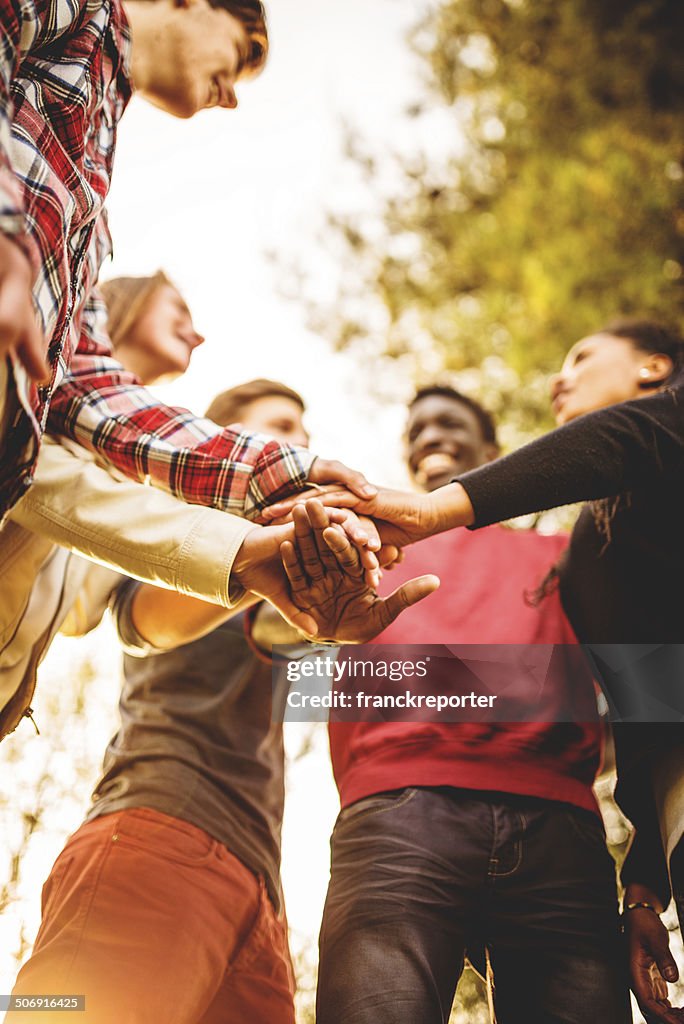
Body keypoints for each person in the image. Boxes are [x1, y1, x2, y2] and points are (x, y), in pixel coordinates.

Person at [266, 318, 684, 1024]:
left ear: (495, 455)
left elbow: (645, 694)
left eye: (450, 423)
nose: (429, 436)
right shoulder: (369, 548)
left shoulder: (578, 553)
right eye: (415, 431)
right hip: (397, 811)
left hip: (560, 826)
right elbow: (274, 628)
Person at [0, 0, 379, 734]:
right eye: (240, 54)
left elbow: (84, 389)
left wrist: (289, 473)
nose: (233, 91)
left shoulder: (90, 212)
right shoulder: (74, 11)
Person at [5, 378, 432, 1024]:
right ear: (227, 444)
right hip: (157, 836)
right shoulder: (178, 541)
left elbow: (305, 639)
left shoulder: (303, 580)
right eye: (283, 427)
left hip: (260, 892)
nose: (301, 446)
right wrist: (262, 572)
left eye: (307, 436)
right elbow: (144, 621)